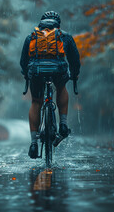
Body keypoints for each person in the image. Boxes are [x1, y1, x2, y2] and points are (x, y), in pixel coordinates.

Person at [20, 11, 81, 159]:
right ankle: (63, 124)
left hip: (36, 71)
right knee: (61, 88)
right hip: (58, 70)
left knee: (36, 101)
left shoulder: (31, 37)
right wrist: (74, 74)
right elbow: (74, 60)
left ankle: (34, 143)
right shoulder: (64, 36)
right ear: (58, 24)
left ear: (42, 23)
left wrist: (26, 74)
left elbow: (23, 61)